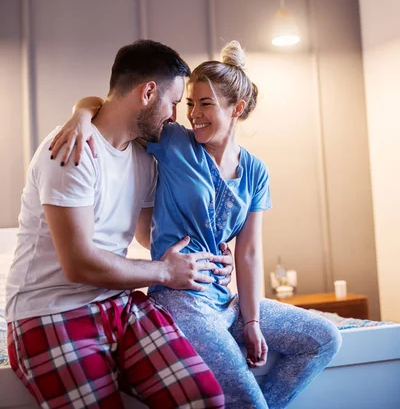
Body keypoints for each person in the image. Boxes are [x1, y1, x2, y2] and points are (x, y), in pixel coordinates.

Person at [52, 40, 342, 409]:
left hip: (228, 301)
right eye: (190, 103)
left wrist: (252, 322)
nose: (192, 114)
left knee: (324, 338)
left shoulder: (255, 171)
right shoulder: (173, 142)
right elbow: (116, 107)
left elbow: (249, 252)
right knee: (247, 399)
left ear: (236, 109)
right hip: (180, 299)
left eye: (205, 103)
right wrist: (79, 113)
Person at [6, 40, 227, 409]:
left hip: (116, 305)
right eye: (174, 102)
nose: (175, 115)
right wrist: (163, 272)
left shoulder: (144, 157)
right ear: (148, 92)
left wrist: (210, 256)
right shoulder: (71, 149)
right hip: (47, 312)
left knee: (204, 399)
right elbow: (79, 264)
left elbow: (147, 234)